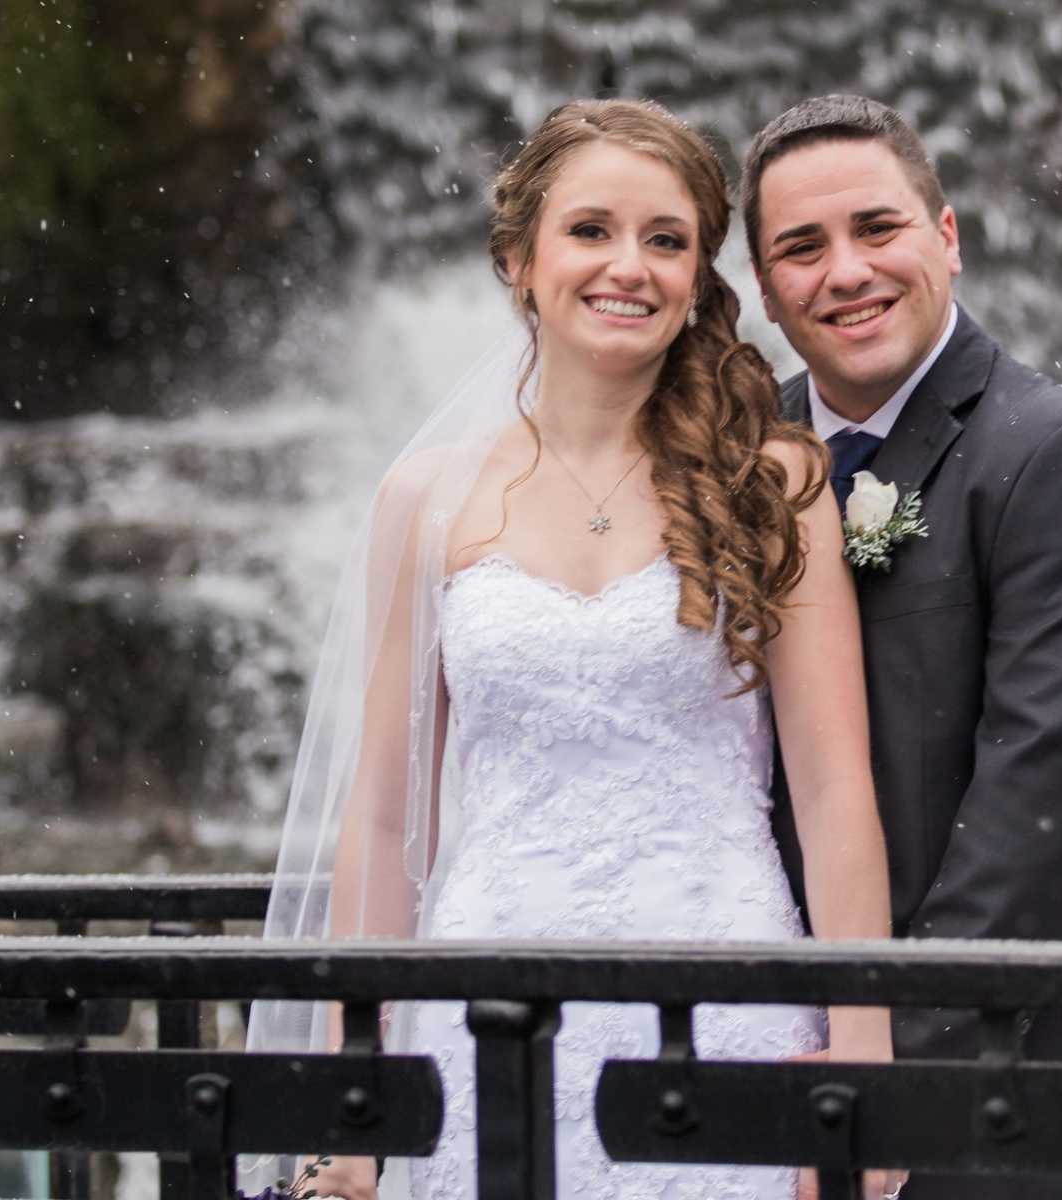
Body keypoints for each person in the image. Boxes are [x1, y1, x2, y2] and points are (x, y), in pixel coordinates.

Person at [245, 99, 898, 1200]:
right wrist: (355, 1096)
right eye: (590, 230)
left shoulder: (774, 483)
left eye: (665, 239)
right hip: (483, 1006)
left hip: (721, 998)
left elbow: (835, 790)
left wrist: (867, 1064)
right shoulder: (426, 500)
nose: (628, 268)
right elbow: (386, 813)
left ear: (698, 275)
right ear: (519, 259)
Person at [744, 95, 1062, 1200]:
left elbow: (1050, 816)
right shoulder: (737, 465)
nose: (844, 271)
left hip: (1019, 1105)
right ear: (764, 288)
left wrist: (892, 1073)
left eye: (876, 228)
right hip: (780, 1077)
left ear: (947, 237)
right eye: (801, 247)